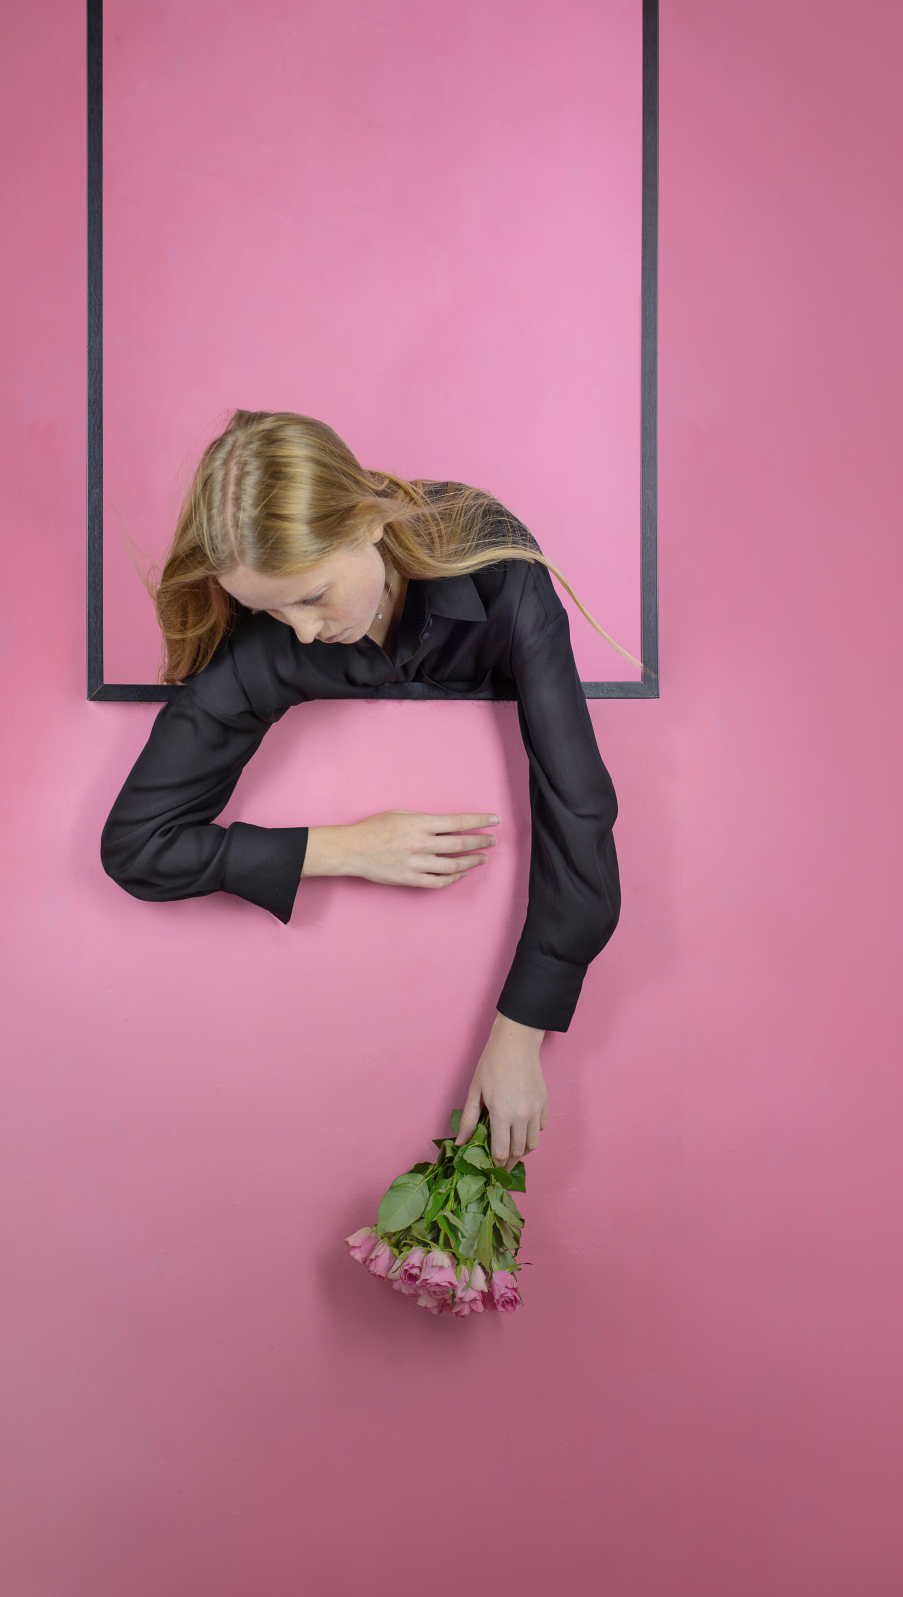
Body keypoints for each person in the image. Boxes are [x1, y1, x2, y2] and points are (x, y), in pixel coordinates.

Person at [100, 409, 629, 1168]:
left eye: (313, 596)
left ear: (368, 524)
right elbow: (136, 846)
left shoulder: (500, 571)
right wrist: (346, 848)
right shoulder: (268, 646)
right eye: (267, 609)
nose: (300, 631)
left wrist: (519, 1037)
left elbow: (579, 811)